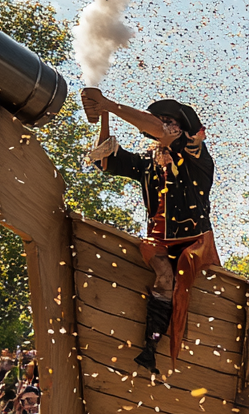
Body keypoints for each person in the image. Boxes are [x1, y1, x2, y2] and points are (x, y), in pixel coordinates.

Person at [82, 90, 219, 374]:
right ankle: (149, 349)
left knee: (200, 291)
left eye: (171, 121)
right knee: (164, 277)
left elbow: (160, 131)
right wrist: (103, 114)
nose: (165, 125)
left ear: (182, 128)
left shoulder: (196, 154)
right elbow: (107, 160)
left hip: (195, 244)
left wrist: (108, 103)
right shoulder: (147, 163)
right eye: (162, 121)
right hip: (158, 243)